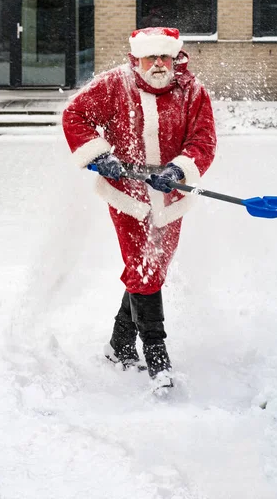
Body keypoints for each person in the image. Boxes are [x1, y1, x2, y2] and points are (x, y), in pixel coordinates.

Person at [62, 27, 216, 392]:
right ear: (137, 59)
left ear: (175, 57)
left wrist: (178, 169)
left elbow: (203, 139)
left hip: (171, 199)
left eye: (165, 57)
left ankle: (119, 344)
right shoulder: (116, 84)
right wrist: (101, 156)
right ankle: (157, 355)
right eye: (151, 57)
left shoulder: (192, 91)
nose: (159, 64)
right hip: (128, 198)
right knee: (144, 269)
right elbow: (75, 116)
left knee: (149, 271)